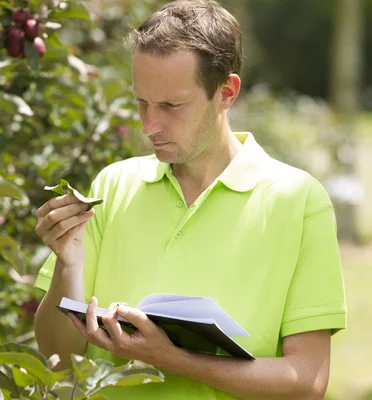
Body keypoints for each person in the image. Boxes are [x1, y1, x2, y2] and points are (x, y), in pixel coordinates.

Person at [32, 0, 347, 398]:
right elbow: (58, 361)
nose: (150, 125)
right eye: (141, 102)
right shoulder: (112, 186)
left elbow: (308, 382)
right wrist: (67, 265)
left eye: (171, 106)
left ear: (226, 92)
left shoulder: (298, 201)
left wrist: (175, 359)